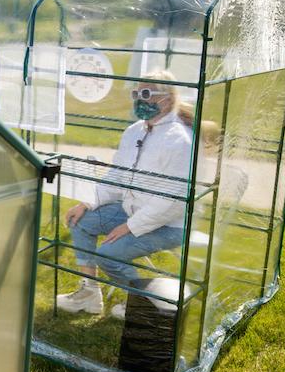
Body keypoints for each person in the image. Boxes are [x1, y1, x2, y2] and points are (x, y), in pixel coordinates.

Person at [56, 78, 192, 318]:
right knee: (80, 220)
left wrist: (130, 226)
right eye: (135, 94)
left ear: (167, 99)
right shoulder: (134, 131)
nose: (139, 100)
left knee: (108, 256)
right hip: (134, 211)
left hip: (168, 224)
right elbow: (116, 176)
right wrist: (87, 202)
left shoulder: (179, 140)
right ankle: (89, 294)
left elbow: (172, 201)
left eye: (146, 93)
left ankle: (142, 305)